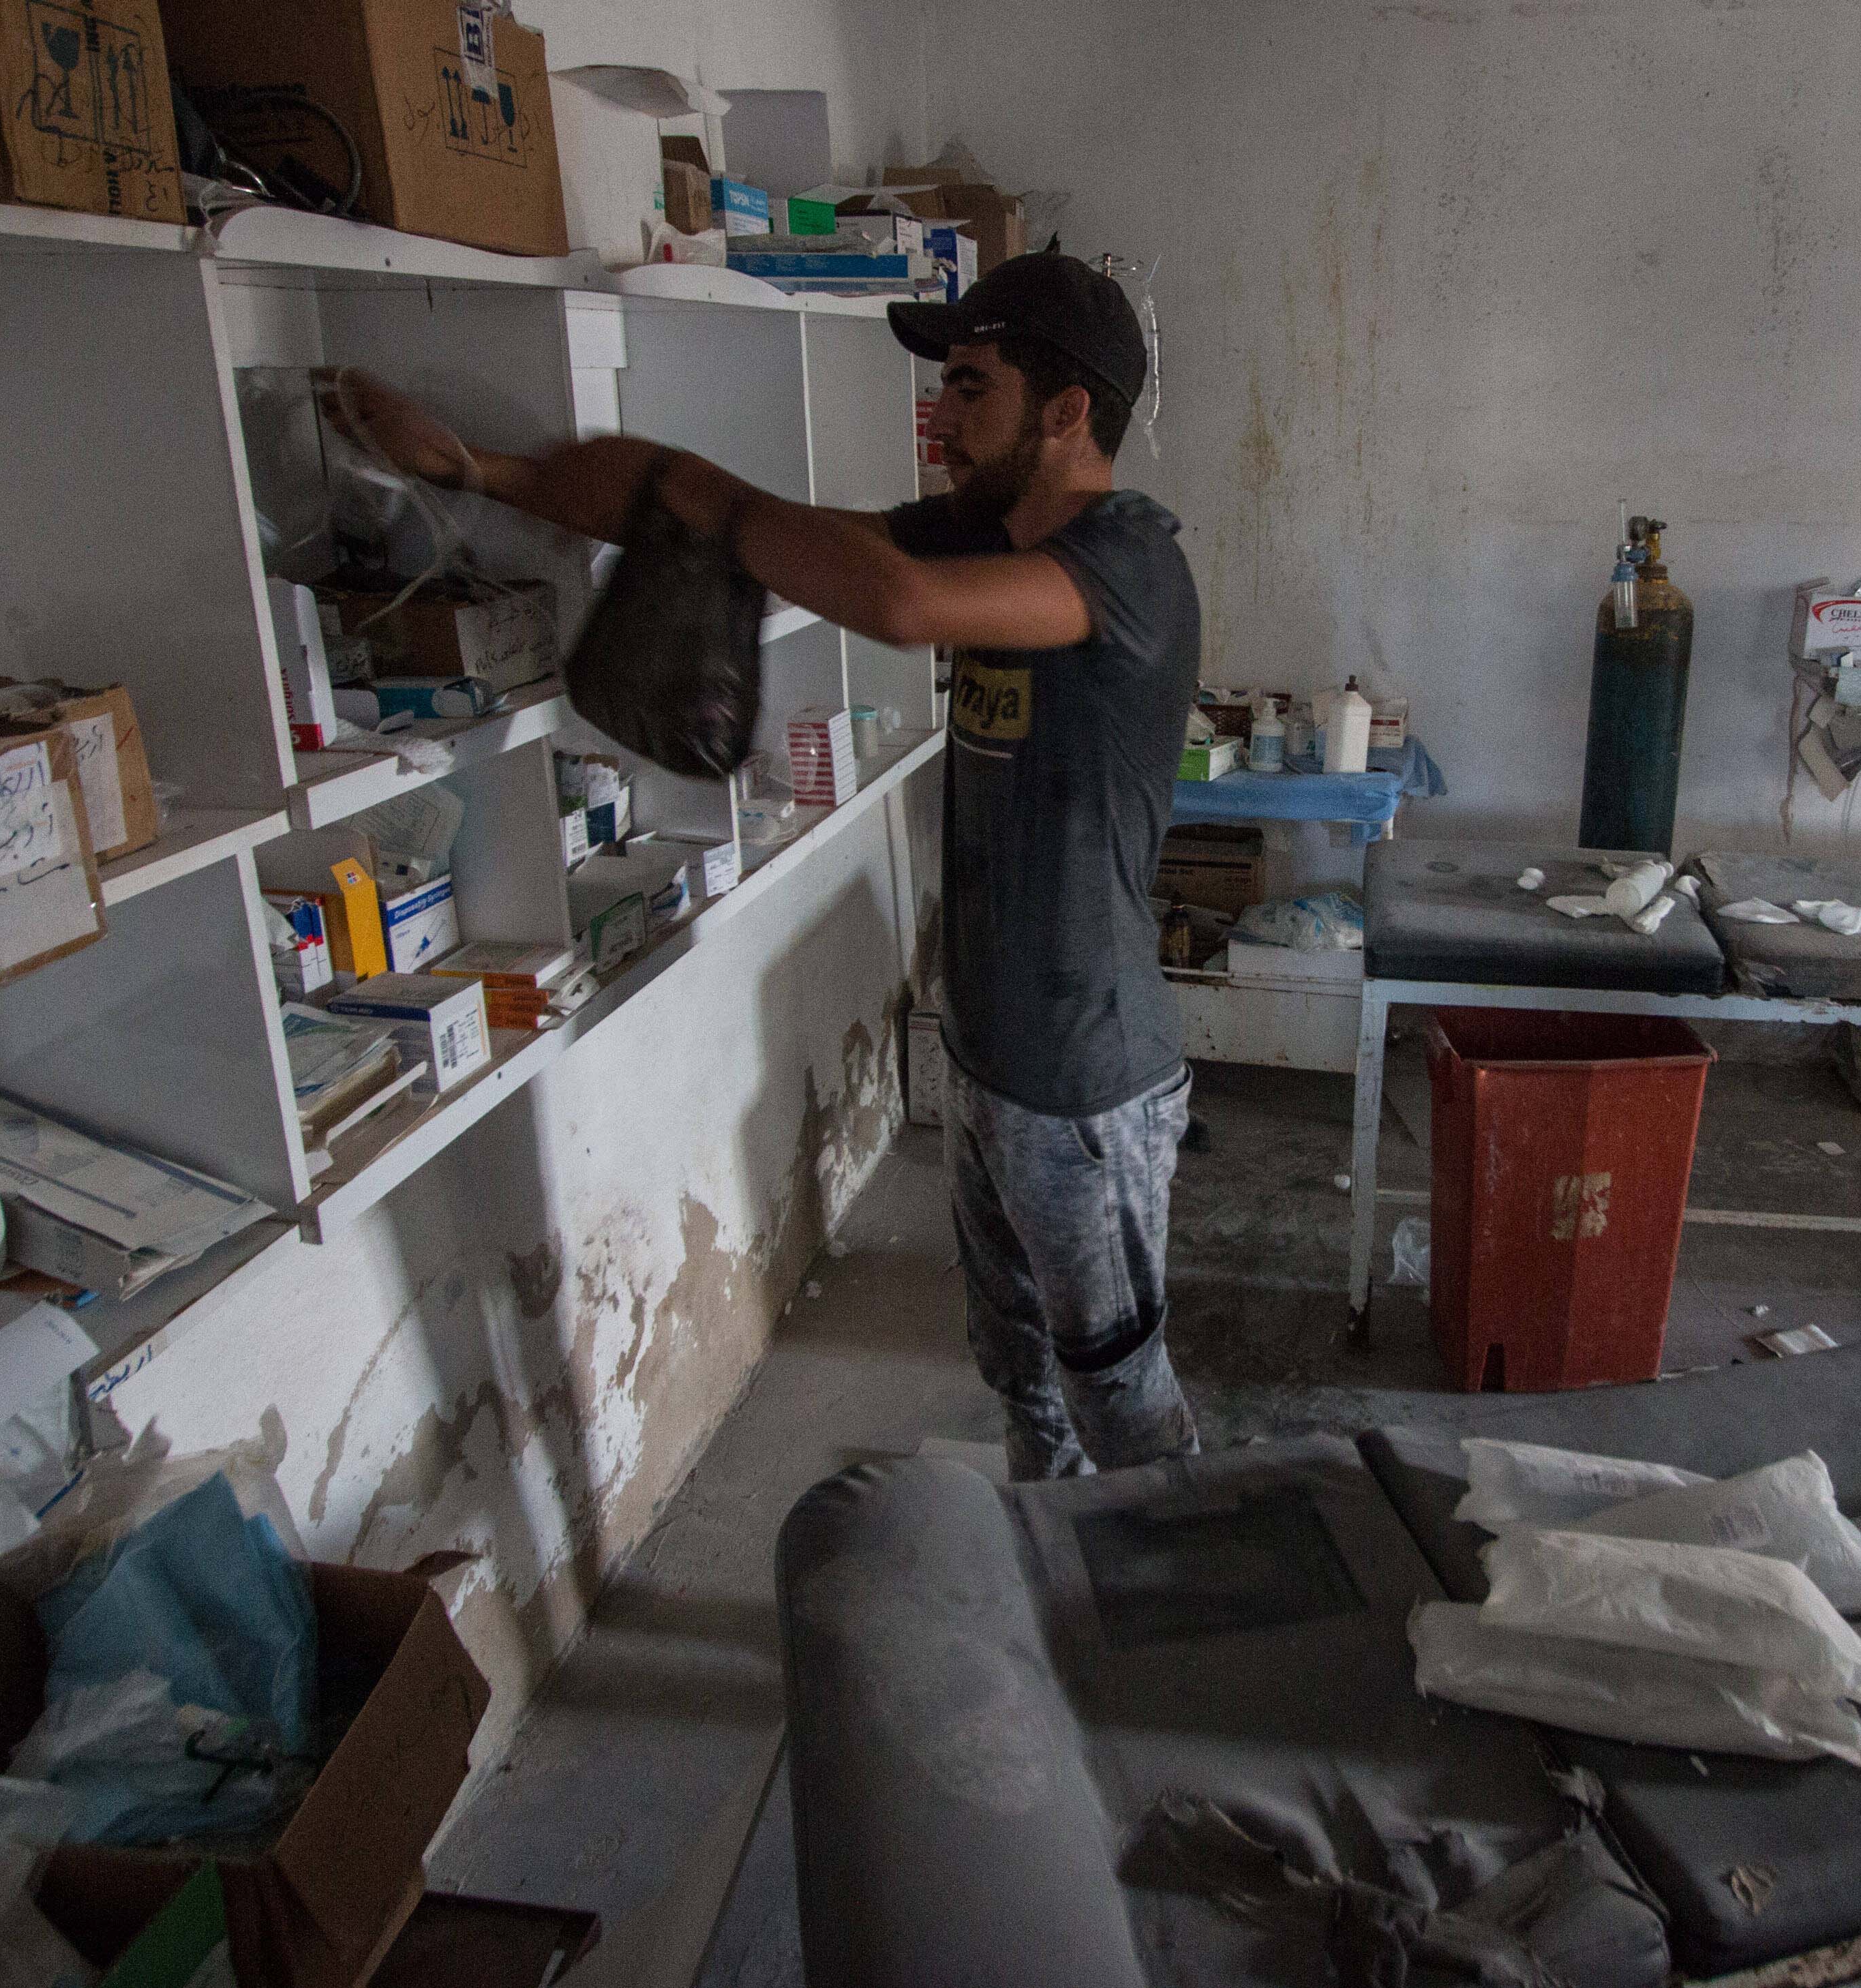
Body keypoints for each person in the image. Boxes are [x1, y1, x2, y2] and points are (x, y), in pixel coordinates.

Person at [321, 252, 1203, 1481]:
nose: (936, 417)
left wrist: (715, 505)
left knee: (1119, 1395)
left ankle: (1182, 1631)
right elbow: (721, 515)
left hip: (1089, 1079)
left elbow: (891, 604)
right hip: (992, 1052)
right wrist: (485, 473)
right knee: (1023, 1384)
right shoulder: (977, 533)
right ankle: (1058, 1596)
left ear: (1067, 414)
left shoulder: (1128, 562)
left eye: (969, 387)